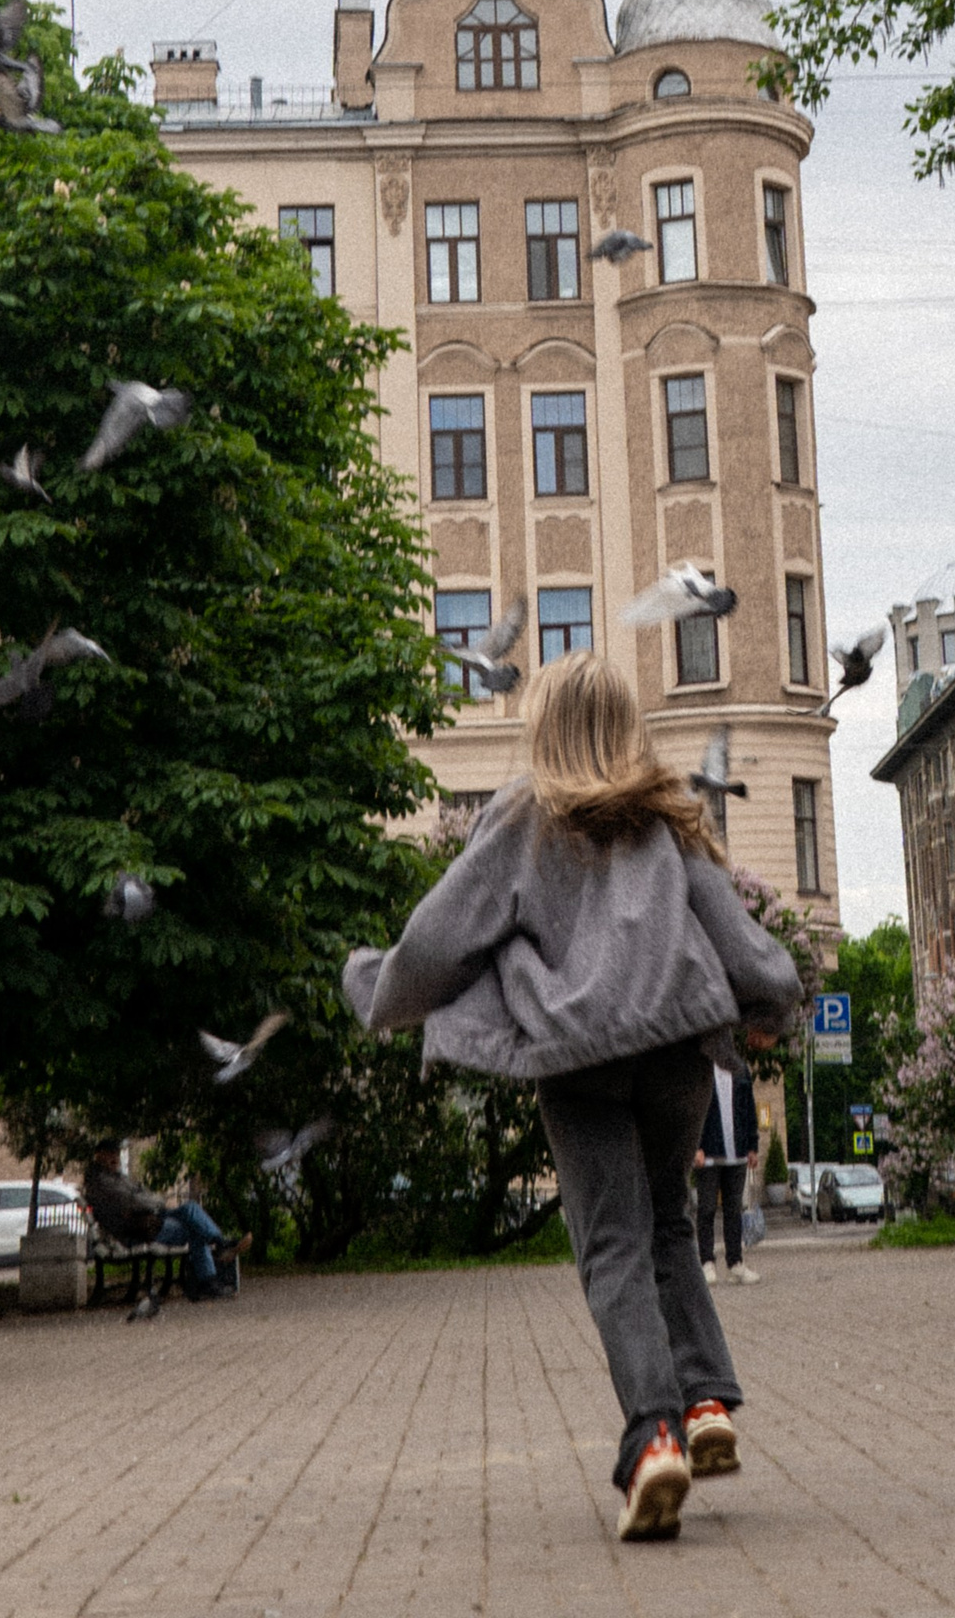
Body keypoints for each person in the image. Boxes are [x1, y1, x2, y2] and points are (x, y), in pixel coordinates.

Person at [344, 654, 803, 1544]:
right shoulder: (668, 817)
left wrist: (375, 991)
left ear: (545, 729)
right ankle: (705, 1397)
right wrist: (770, 1010)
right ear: (629, 728)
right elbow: (748, 950)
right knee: (669, 1220)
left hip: (579, 1053)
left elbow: (440, 936)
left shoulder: (523, 815)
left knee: (612, 1246)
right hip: (675, 1051)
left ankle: (654, 1436)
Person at [693, 1057, 759, 1286]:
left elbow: (749, 1106)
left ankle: (735, 1263)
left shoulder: (740, 1069)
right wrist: (696, 1146)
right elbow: (693, 1108)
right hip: (708, 1153)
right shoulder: (701, 1069)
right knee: (707, 1208)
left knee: (734, 1210)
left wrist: (753, 1146)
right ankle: (707, 1262)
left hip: (737, 1152)